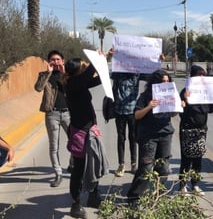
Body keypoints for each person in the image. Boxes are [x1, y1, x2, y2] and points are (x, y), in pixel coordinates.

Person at [63, 58, 109, 218]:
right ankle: (75, 204)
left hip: (90, 130)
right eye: (83, 68)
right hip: (80, 134)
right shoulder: (72, 85)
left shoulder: (80, 84)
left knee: (95, 164)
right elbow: (89, 74)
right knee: (79, 169)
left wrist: (108, 62)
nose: (86, 70)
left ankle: (93, 196)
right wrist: (96, 59)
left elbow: (97, 79)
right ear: (77, 71)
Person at [127, 70, 179, 204]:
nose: (166, 84)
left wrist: (179, 107)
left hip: (165, 134)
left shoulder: (170, 95)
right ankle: (134, 197)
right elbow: (137, 115)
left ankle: (158, 196)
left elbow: (172, 114)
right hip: (149, 136)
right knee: (146, 168)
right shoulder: (145, 96)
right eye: (163, 81)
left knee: (163, 169)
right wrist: (149, 106)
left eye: (168, 81)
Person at [178, 65, 213, 195]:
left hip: (201, 131)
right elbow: (181, 112)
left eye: (204, 75)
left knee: (198, 158)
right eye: (199, 75)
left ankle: (195, 184)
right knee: (186, 159)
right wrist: (184, 99)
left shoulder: (206, 91)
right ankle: (182, 186)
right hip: (187, 130)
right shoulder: (185, 91)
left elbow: (211, 109)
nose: (202, 78)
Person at [34, 50, 70, 187]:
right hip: (52, 114)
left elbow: (73, 88)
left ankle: (72, 163)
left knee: (75, 141)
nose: (55, 62)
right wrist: (48, 73)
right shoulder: (44, 75)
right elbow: (38, 88)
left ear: (62, 61)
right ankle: (58, 173)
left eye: (58, 59)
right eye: (52, 59)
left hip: (68, 114)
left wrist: (65, 73)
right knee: (54, 146)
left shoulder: (68, 75)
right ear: (48, 61)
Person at [111, 71, 139, 177]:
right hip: (119, 110)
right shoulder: (117, 73)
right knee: (121, 138)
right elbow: (107, 73)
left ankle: (133, 163)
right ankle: (121, 164)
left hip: (132, 111)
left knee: (133, 137)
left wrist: (158, 60)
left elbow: (152, 74)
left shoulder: (136, 74)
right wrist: (110, 56)